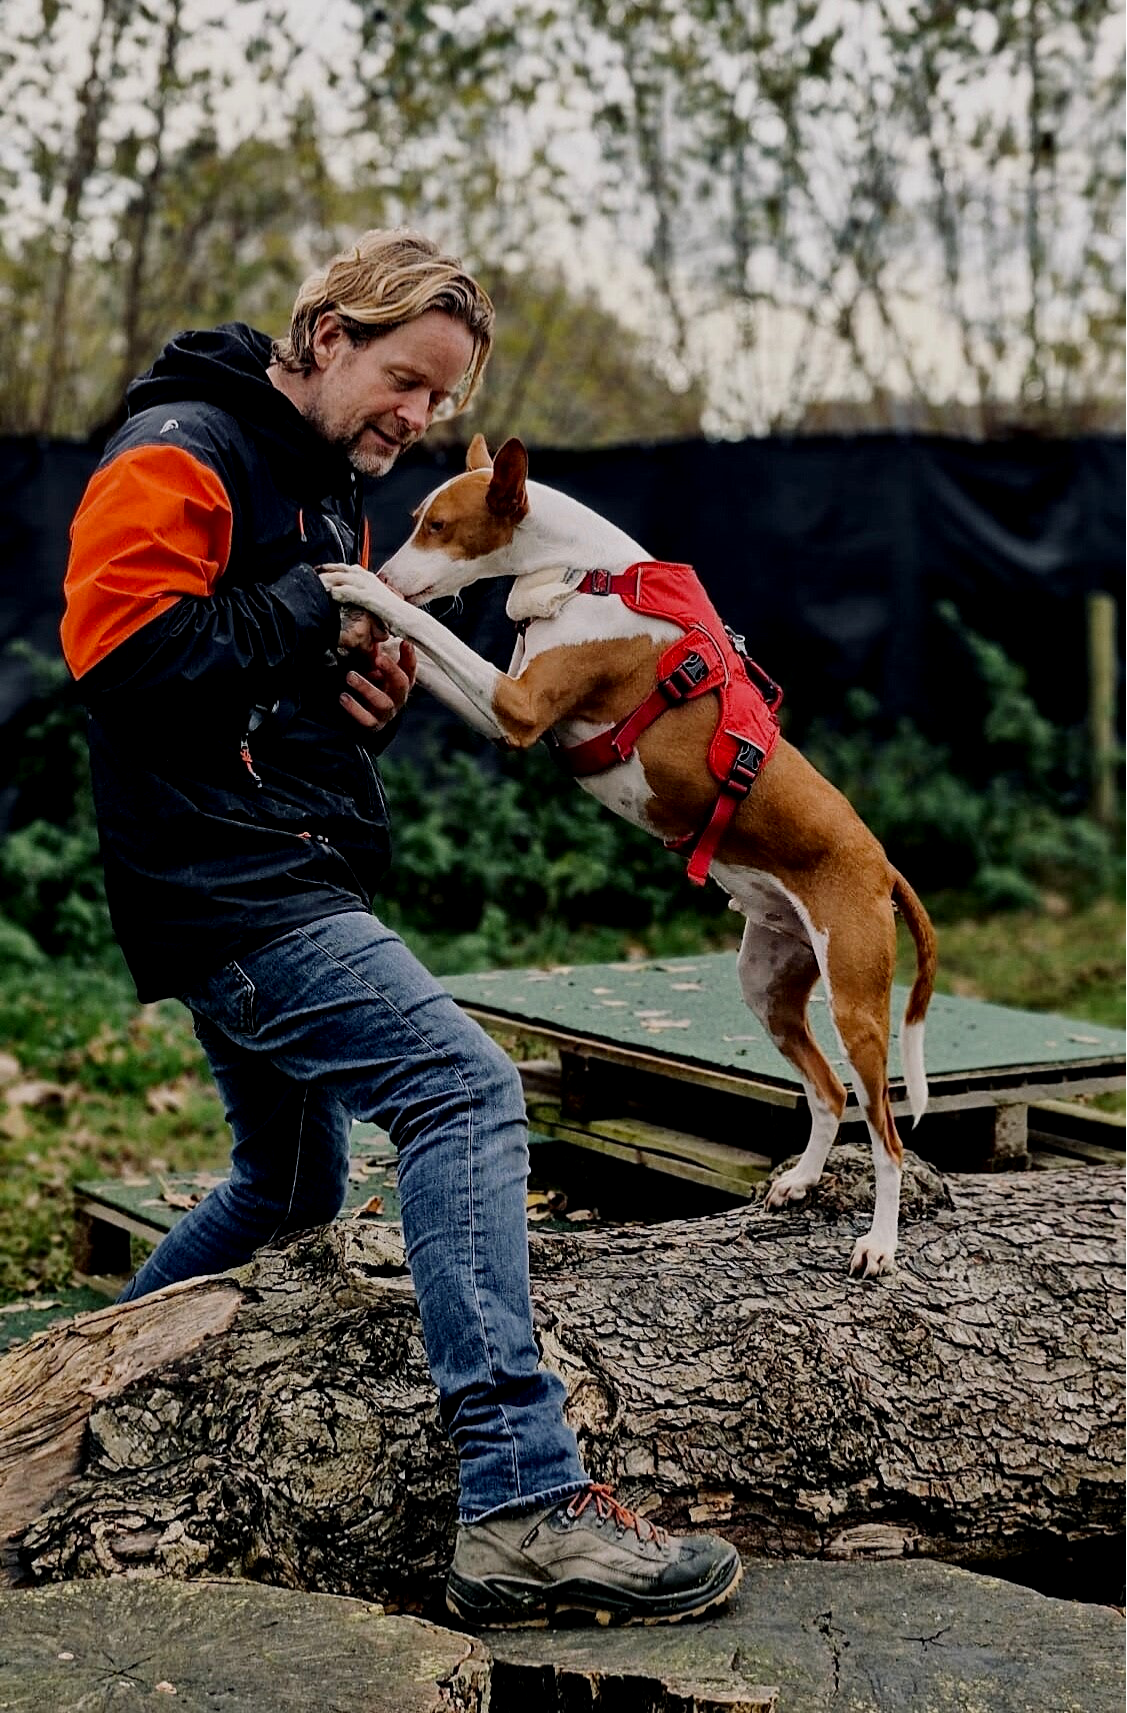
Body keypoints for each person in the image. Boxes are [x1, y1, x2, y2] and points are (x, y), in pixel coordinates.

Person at [59, 228, 741, 1626]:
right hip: (234, 885)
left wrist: (351, 696)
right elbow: (121, 661)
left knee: (287, 1187)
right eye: (406, 380)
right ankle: (521, 1505)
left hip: (280, 857)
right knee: (463, 1091)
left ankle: (58, 1409)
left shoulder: (327, 488)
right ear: (326, 335)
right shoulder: (182, 451)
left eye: (442, 400)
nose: (419, 417)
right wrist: (309, 613)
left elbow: (261, 674)